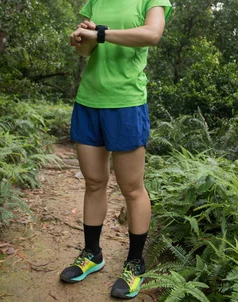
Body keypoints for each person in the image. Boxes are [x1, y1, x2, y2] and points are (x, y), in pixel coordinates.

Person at [59, 0, 172, 299]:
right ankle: (92, 254)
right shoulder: (94, 1)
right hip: (89, 101)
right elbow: (86, 49)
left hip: (126, 103)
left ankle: (135, 263)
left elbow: (152, 34)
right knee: (94, 182)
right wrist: (79, 39)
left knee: (132, 188)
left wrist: (102, 33)